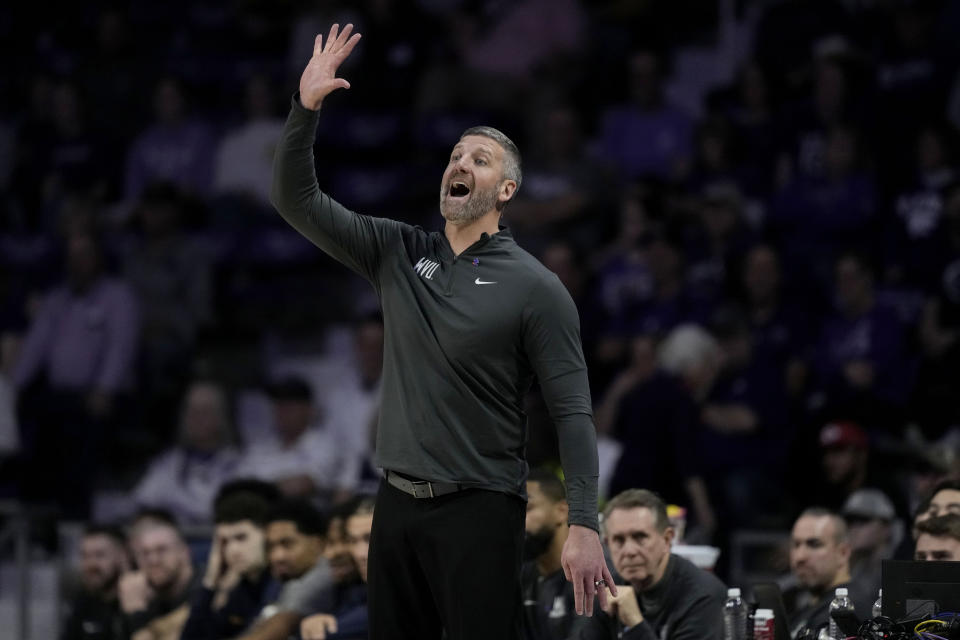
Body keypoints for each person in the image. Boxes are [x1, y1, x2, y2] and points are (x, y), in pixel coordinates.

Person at [271, 23, 613, 640]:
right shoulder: (398, 251)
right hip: (396, 504)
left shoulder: (536, 287)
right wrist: (306, 109)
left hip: (480, 507)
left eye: (479, 160)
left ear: (506, 191)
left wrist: (584, 523)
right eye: (455, 155)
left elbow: (573, 413)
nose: (460, 162)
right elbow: (295, 200)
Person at [575, 488, 726, 640]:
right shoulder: (608, 589)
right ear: (607, 544)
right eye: (619, 540)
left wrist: (634, 623)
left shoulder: (702, 598)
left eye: (640, 537)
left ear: (667, 540)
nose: (629, 551)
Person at [131, 379, 239, 525]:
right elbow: (143, 501)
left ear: (221, 417)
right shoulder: (168, 462)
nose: (196, 418)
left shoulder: (240, 464)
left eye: (205, 411)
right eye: (191, 410)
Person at [234, 375, 356, 502]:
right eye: (278, 403)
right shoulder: (258, 448)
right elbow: (237, 488)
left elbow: (302, 485)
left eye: (290, 404)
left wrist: (255, 490)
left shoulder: (324, 445)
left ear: (309, 410)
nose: (282, 410)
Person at [181, 490, 275, 639]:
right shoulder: (241, 591)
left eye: (241, 537)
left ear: (266, 534)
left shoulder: (283, 580)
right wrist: (211, 581)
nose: (232, 550)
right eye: (224, 542)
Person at [237, 499, 334, 640]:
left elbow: (271, 633)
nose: (277, 556)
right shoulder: (287, 577)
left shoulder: (320, 576)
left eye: (287, 544)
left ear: (317, 544)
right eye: (270, 547)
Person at [783, 508, 871, 639]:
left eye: (814, 544)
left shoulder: (846, 609)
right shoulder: (809, 605)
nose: (800, 557)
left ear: (843, 553)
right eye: (796, 545)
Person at [520, 469, 585, 640]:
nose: (516, 521)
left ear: (562, 511)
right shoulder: (520, 576)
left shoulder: (592, 571)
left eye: (527, 509)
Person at [300, 497, 375, 640]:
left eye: (370, 539)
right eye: (352, 541)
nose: (360, 553)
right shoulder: (352, 591)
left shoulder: (407, 588)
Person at [119, 519, 198, 640]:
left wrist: (137, 615)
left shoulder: (208, 592)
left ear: (184, 552)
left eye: (162, 550)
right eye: (145, 553)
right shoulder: (141, 595)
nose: (153, 560)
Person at [61, 524, 130, 640]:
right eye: (85, 556)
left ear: (122, 556)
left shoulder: (142, 601)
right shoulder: (83, 601)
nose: (91, 564)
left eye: (99, 555)